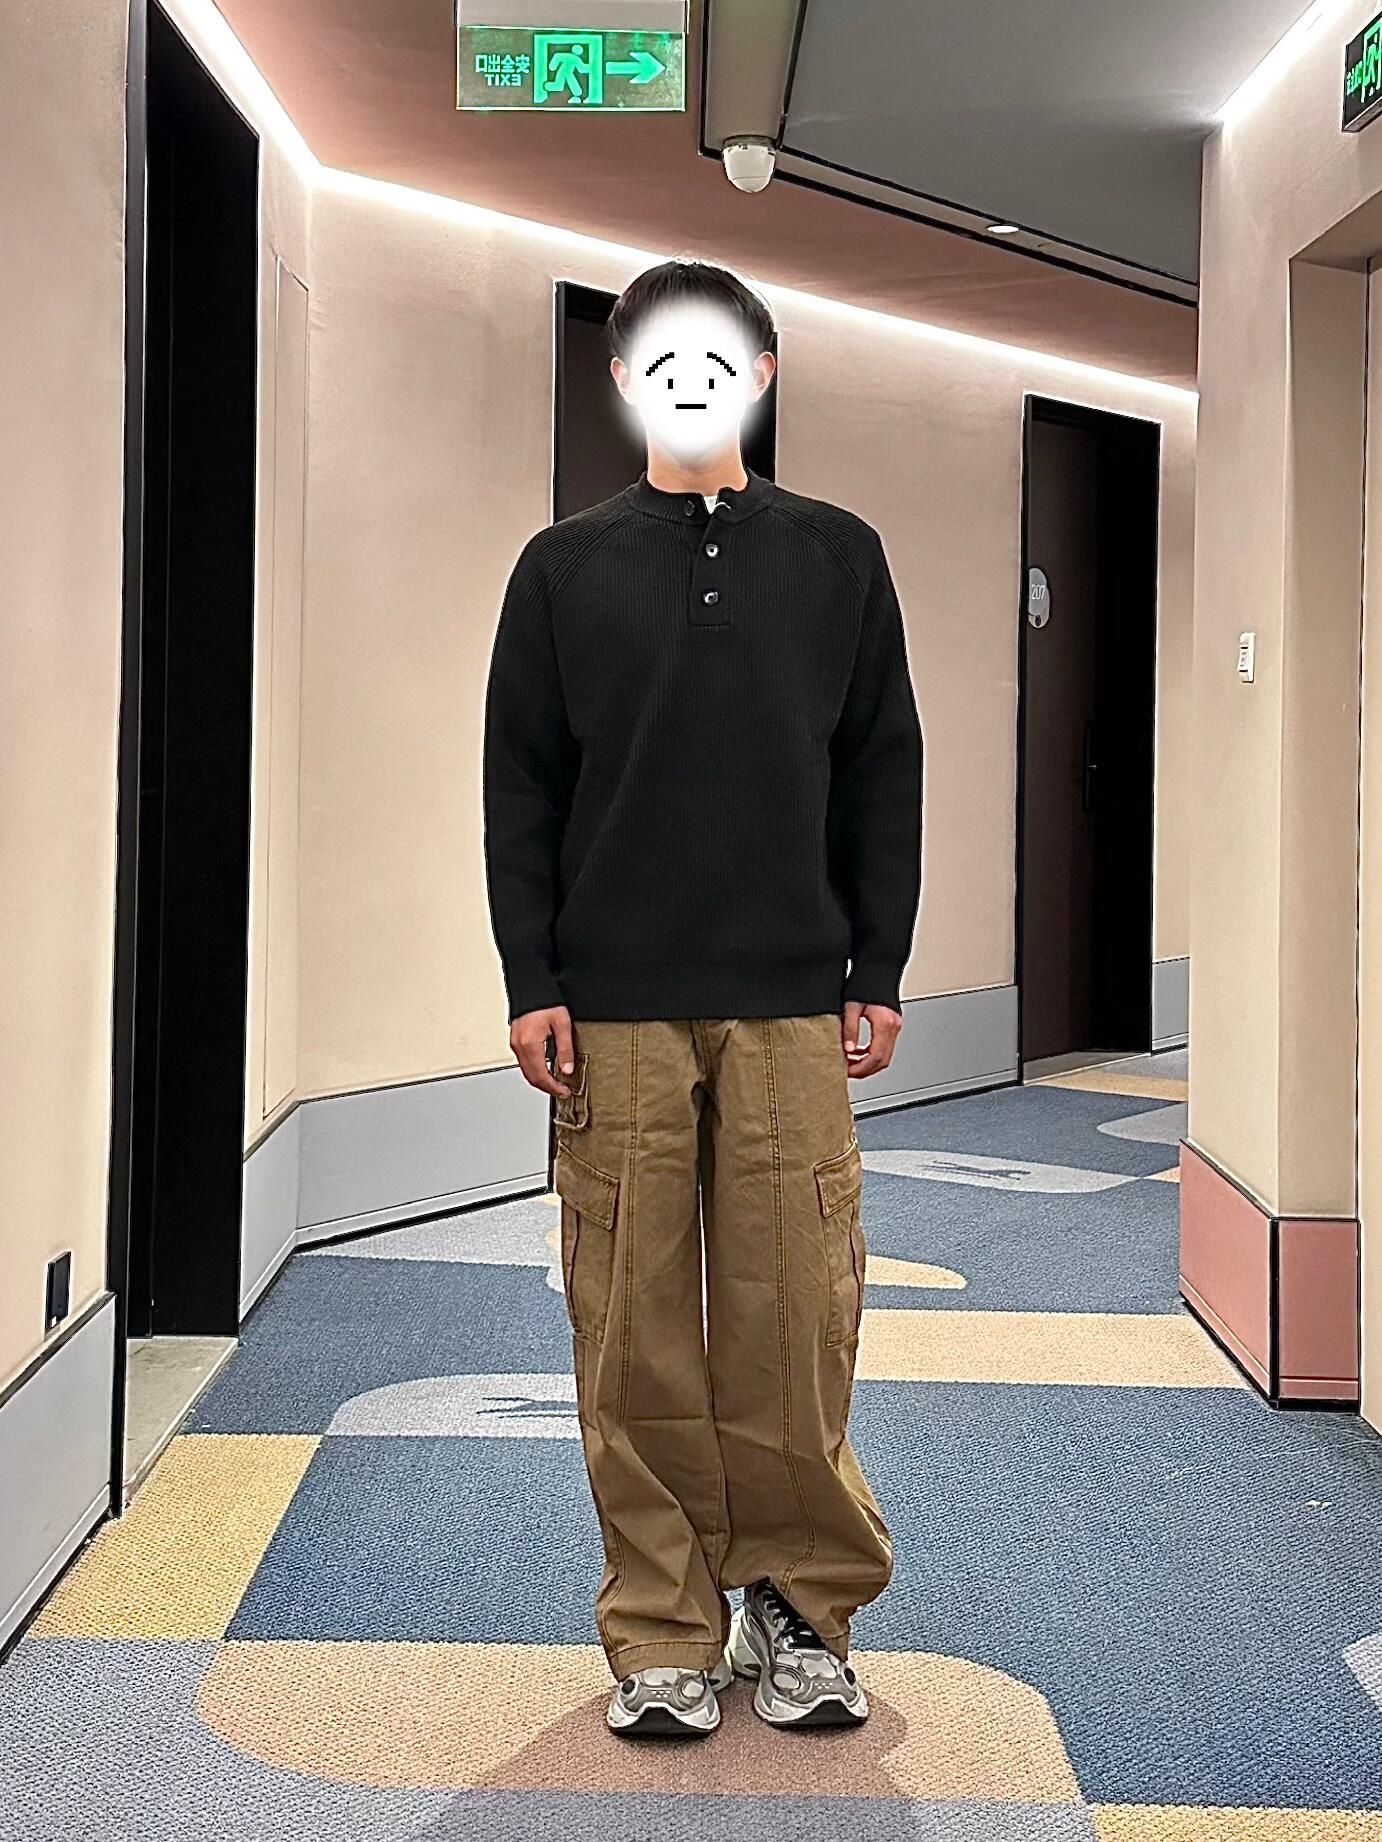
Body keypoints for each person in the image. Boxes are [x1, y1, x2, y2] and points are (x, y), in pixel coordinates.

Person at [481, 258, 923, 1737]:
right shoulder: (560, 568)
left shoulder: (839, 556)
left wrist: (877, 964)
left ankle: (800, 1607)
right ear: (622, 381)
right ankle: (663, 1624)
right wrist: (531, 976)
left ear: (763, 371)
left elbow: (882, 769)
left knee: (796, 1312)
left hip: (791, 998)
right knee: (631, 1324)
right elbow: (520, 786)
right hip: (613, 1003)